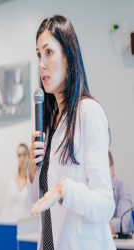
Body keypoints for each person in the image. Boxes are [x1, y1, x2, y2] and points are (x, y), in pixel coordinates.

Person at [28, 16, 115, 250]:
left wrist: (65, 188)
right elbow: (41, 202)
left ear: (68, 55)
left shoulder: (89, 112)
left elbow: (106, 204)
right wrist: (33, 168)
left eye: (49, 52)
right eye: (38, 55)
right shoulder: (50, 122)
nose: (41, 64)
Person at [109, 151, 133, 234]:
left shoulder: (122, 187)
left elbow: (123, 224)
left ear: (112, 169)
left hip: (122, 245)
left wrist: (95, 227)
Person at [5, 144, 33, 214]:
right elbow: (7, 207)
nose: (22, 158)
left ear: (29, 156)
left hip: (27, 222)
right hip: (12, 221)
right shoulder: (12, 182)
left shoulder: (32, 182)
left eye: (24, 154)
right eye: (19, 155)